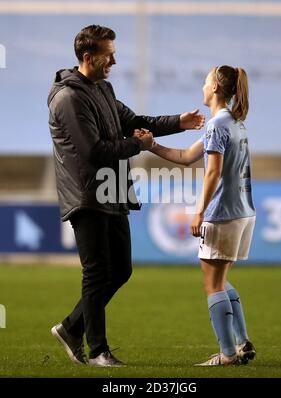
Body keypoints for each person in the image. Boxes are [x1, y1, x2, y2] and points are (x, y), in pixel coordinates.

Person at [47, 24, 205, 367]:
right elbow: (94, 151)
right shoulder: (69, 98)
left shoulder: (102, 88)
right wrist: (140, 145)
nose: (114, 61)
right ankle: (97, 351)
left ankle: (72, 328)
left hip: (112, 191)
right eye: (109, 55)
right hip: (87, 196)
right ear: (89, 57)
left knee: (120, 269)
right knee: (97, 273)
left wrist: (180, 121)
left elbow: (135, 121)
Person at [149, 65, 256, 366]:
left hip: (222, 213)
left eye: (205, 82)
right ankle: (241, 342)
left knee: (213, 285)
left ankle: (227, 354)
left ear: (216, 88)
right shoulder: (233, 123)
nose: (202, 86)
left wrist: (198, 212)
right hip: (242, 213)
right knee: (221, 279)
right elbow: (185, 157)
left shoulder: (217, 125)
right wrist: (151, 145)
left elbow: (213, 172)